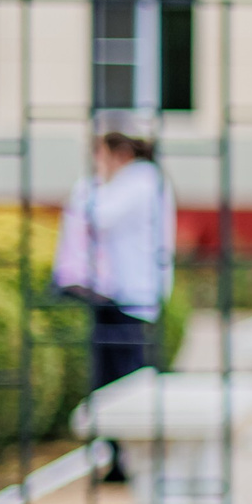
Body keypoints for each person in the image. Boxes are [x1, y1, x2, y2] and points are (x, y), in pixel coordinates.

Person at [54, 126, 176, 482]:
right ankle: (119, 458)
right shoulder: (138, 181)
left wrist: (92, 183)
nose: (98, 164)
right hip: (117, 295)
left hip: (130, 297)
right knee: (111, 379)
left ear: (120, 154)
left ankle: (132, 460)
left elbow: (97, 214)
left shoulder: (141, 179)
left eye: (101, 156)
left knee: (126, 380)